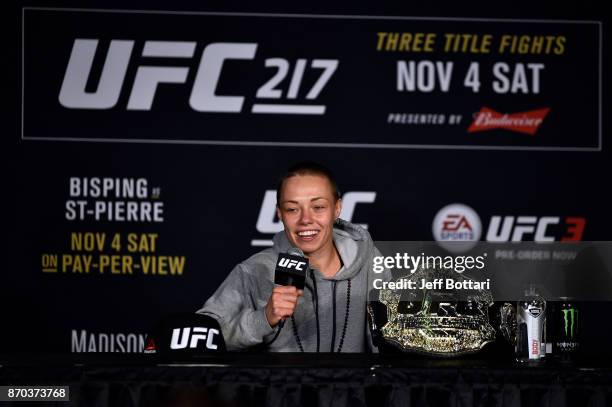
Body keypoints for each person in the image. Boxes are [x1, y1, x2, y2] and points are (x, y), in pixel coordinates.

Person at [198, 162, 389, 352]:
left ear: (337, 208)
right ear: (280, 213)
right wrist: (263, 318)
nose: (306, 219)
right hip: (283, 382)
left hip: (357, 382)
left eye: (318, 207)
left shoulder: (371, 263)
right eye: (292, 209)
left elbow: (401, 339)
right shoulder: (255, 270)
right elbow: (203, 333)